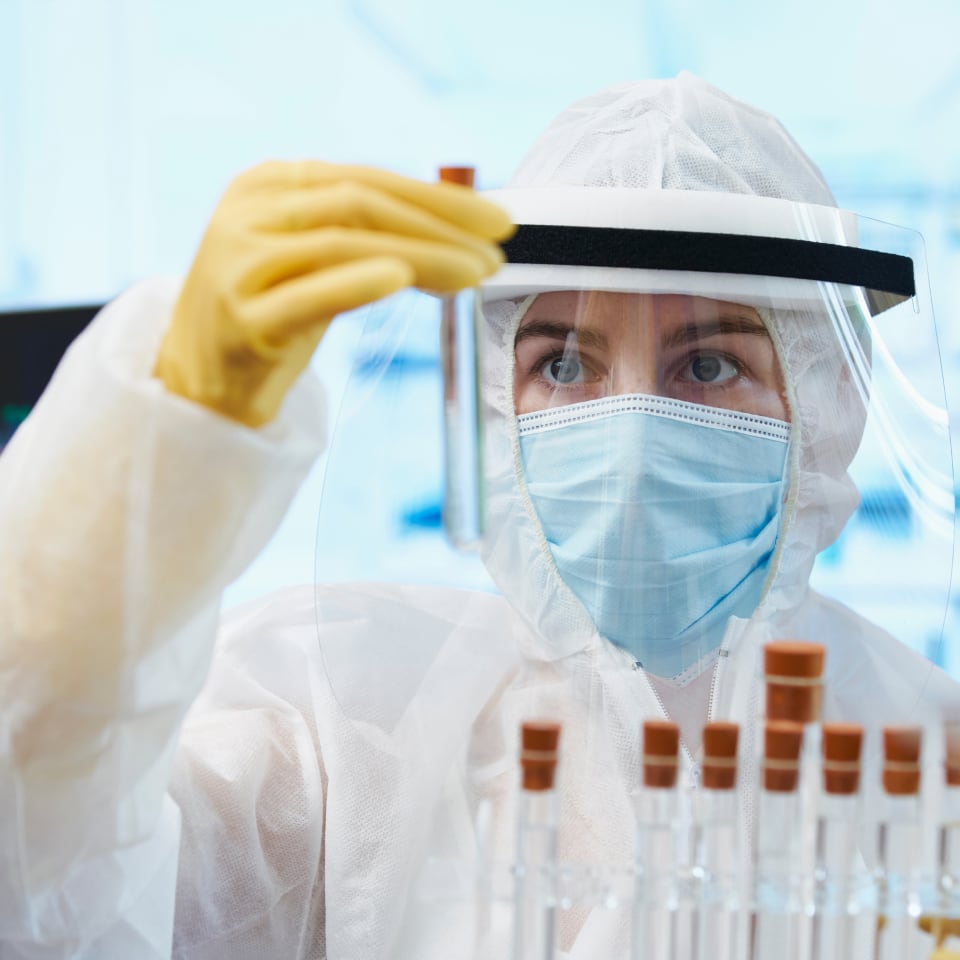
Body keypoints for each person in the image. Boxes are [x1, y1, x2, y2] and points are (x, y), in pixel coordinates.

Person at [0, 71, 958, 959]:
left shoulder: (929, 761)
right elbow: (49, 891)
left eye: (708, 366)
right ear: (500, 398)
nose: (626, 440)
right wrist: (148, 442)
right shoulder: (341, 725)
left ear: (828, 401)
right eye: (564, 365)